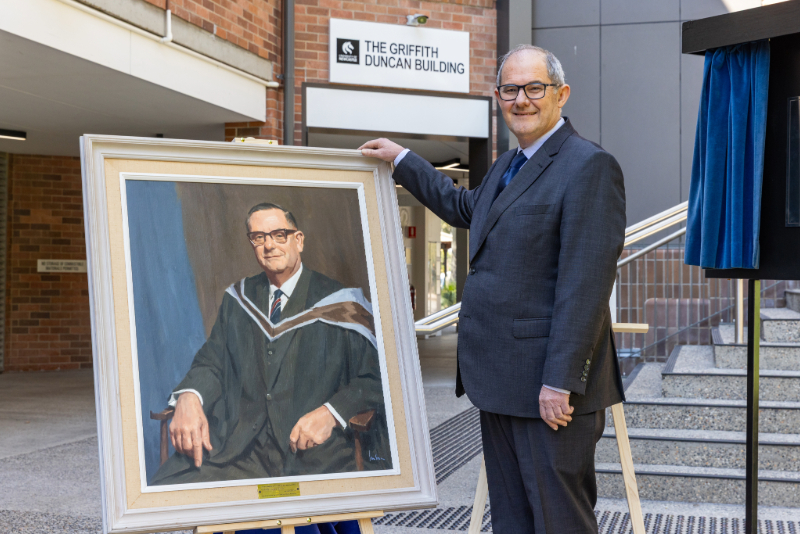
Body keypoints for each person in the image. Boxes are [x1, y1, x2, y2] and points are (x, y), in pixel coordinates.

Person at [360, 44, 626, 533]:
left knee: (559, 521)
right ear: (498, 97)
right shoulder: (508, 165)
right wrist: (403, 160)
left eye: (533, 88)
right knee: (511, 520)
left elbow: (585, 286)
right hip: (501, 382)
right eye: (509, 89)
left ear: (561, 94)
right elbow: (465, 208)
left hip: (550, 391)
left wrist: (559, 381)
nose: (521, 99)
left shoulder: (589, 166)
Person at [151, 202, 390, 485]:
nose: (269, 245)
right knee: (166, 487)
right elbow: (212, 362)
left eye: (279, 235)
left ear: (298, 240)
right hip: (240, 452)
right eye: (259, 237)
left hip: (313, 455)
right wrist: (190, 396)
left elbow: (378, 379)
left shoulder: (341, 303)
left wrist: (332, 413)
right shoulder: (238, 299)